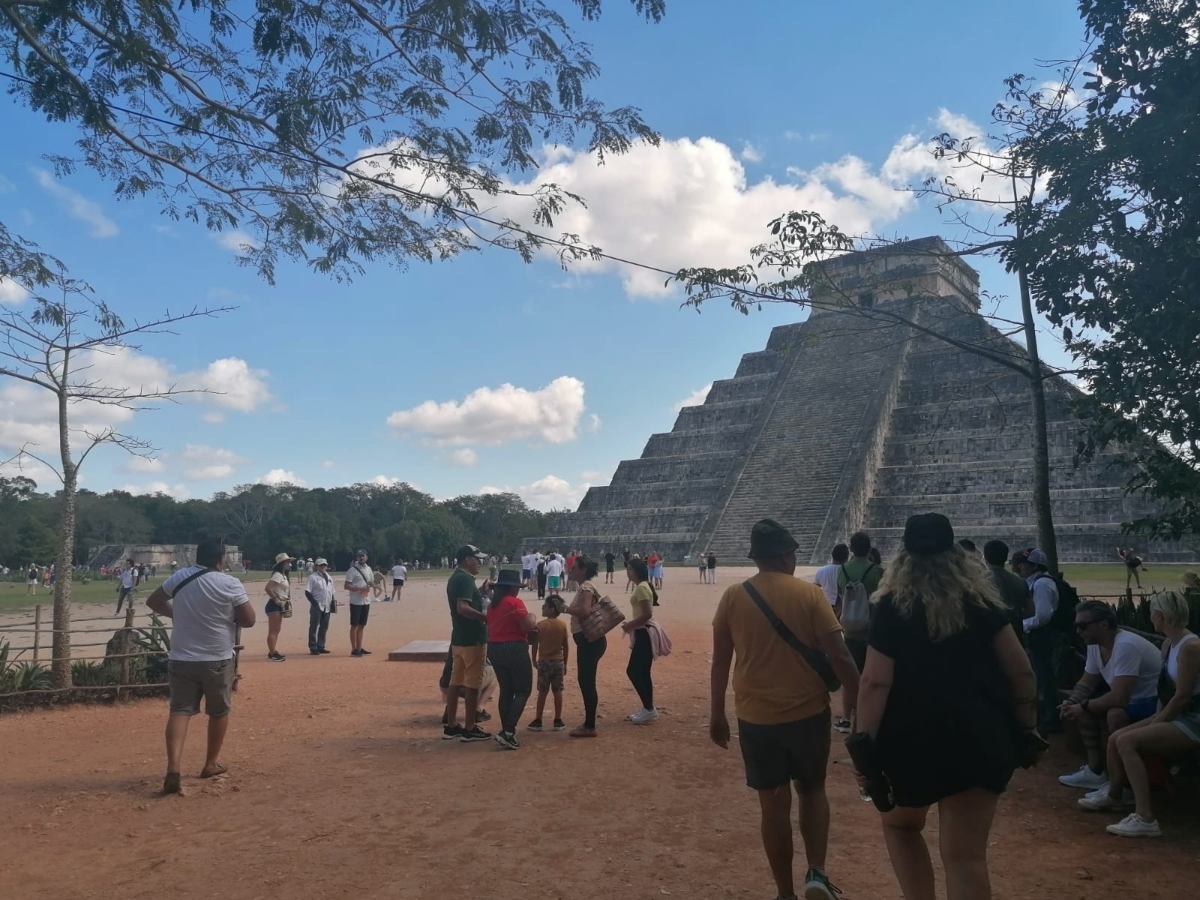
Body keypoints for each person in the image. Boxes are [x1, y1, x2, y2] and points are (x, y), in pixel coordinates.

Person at [855, 513, 1038, 900]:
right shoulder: (983, 603)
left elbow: (875, 681)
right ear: (955, 552)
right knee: (966, 857)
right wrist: (1025, 726)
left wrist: (863, 746)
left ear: (903, 554)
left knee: (902, 827)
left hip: (911, 740)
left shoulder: (891, 606)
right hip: (979, 735)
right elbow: (1021, 674)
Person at [709, 519, 861, 900]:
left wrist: (716, 714)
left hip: (756, 717)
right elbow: (840, 655)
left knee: (773, 806)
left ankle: (784, 893)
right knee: (812, 791)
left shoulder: (732, 596)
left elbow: (720, 662)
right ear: (785, 557)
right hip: (808, 713)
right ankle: (817, 873)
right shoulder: (808, 595)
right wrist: (856, 705)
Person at [1081, 590, 1200, 837]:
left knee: (1126, 740)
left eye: (1151, 615)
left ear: (1158, 616)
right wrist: (1157, 718)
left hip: (1193, 717)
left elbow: (1183, 696)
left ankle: (1145, 817)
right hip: (1177, 713)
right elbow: (1167, 692)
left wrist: (1157, 720)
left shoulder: (1191, 647)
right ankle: (1115, 795)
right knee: (1116, 738)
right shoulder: (1169, 644)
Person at [147, 538, 256, 795]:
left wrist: (178, 613)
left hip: (182, 656)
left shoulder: (180, 577)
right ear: (222, 559)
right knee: (218, 711)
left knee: (180, 711)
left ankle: (174, 766)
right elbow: (249, 619)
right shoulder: (229, 583)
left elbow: (154, 601)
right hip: (216, 656)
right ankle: (210, 763)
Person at [1057, 600, 1162, 790]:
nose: (1078, 631)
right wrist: (1072, 702)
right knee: (1084, 708)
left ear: (1104, 624)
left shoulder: (1126, 646)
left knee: (1114, 714)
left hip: (1155, 702)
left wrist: (1083, 705)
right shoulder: (1095, 645)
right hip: (1132, 700)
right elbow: (1088, 681)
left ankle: (1124, 785)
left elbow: (1119, 698)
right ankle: (1095, 771)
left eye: (1082, 626)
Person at [444, 544, 493, 743]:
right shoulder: (464, 579)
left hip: (459, 637)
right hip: (473, 637)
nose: (480, 562)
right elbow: (463, 607)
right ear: (467, 559)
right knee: (473, 684)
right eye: (477, 559)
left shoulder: (456, 577)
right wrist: (485, 617)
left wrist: (480, 590)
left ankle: (452, 724)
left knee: (455, 682)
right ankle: (470, 726)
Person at [485, 569, 537, 749]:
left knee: (506, 690)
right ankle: (508, 731)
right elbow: (528, 625)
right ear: (512, 588)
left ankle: (506, 730)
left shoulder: (493, 605)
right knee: (523, 690)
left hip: (495, 648)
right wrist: (533, 616)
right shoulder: (514, 602)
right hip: (514, 647)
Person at [1016, 548, 1061, 732]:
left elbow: (1042, 616)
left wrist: (1022, 624)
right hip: (1041, 634)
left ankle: (1052, 719)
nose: (1019, 567)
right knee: (1042, 675)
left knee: (1044, 676)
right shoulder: (1038, 582)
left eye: (1023, 564)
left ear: (1034, 565)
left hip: (1043, 635)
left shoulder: (1041, 585)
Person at [562, 555, 606, 737]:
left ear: (583, 570)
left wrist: (564, 608)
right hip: (590, 640)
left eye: (574, 568)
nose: (571, 571)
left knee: (587, 681)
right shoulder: (585, 587)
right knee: (586, 681)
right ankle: (589, 723)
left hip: (590, 641)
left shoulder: (586, 588)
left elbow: (584, 611)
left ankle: (589, 725)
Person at [837, 531, 883, 671]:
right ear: (869, 548)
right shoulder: (878, 571)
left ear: (851, 549)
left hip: (850, 628)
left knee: (854, 675)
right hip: (873, 630)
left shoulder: (842, 570)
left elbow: (840, 594)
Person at [623, 557, 661, 724]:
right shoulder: (643, 587)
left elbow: (646, 614)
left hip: (644, 633)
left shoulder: (642, 588)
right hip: (642, 632)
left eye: (630, 569)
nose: (628, 571)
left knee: (634, 671)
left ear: (637, 571)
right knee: (643, 672)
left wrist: (629, 625)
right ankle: (648, 708)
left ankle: (649, 708)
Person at [529, 595, 570, 732]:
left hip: (544, 661)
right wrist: (565, 662)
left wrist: (534, 659)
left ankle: (538, 720)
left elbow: (534, 645)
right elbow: (566, 645)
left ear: (551, 609)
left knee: (542, 691)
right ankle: (557, 719)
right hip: (558, 661)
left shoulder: (540, 625)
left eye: (545, 606)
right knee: (557, 691)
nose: (543, 608)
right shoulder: (562, 625)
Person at [982, 539, 1032, 637]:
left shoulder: (979, 581)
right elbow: (1030, 611)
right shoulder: (1020, 582)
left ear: (986, 558)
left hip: (990, 636)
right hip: (1016, 633)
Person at [264, 553, 294, 661]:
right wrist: (276, 599)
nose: (289, 564)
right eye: (287, 562)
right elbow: (268, 588)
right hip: (274, 605)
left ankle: (273, 651)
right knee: (273, 630)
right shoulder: (277, 575)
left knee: (276, 630)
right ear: (282, 564)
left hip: (279, 604)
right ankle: (272, 654)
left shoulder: (283, 575)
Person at [343, 549, 373, 657]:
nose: (361, 558)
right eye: (359, 556)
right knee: (354, 625)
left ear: (366, 557)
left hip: (366, 600)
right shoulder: (352, 570)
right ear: (357, 558)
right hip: (356, 601)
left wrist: (372, 586)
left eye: (363, 556)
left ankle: (359, 647)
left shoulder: (369, 569)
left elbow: (370, 581)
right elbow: (346, 586)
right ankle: (354, 649)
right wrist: (359, 588)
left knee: (362, 625)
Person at [305, 558, 335, 655]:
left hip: (327, 604)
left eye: (324, 565)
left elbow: (331, 591)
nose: (322, 567)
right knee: (314, 626)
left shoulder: (329, 577)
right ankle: (313, 647)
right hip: (317, 605)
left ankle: (321, 645)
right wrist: (314, 603)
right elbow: (307, 592)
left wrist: (333, 602)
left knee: (324, 626)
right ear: (316, 566)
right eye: (320, 565)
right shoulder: (313, 577)